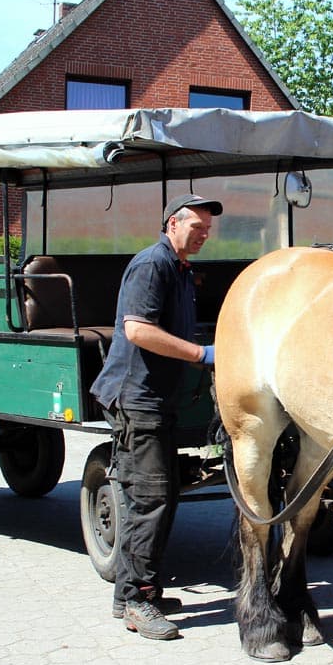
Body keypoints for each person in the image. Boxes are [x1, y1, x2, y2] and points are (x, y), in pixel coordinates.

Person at [90, 193, 221, 640]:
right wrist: (201, 354)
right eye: (197, 227)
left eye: (208, 230)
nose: (204, 236)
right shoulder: (152, 264)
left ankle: (130, 593)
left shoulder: (180, 270)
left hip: (156, 400)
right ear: (172, 224)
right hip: (136, 398)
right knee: (150, 499)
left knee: (160, 498)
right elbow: (138, 329)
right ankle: (137, 602)